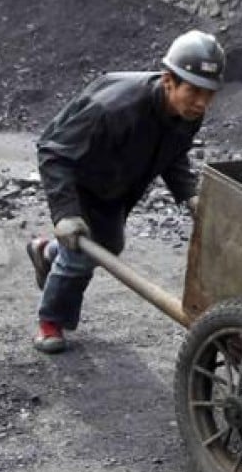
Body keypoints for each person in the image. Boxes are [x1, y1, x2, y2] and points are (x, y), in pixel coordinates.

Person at [26, 30, 225, 353]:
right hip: (80, 174)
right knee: (80, 256)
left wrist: (189, 194)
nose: (202, 103)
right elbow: (54, 153)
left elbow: (172, 153)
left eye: (210, 94)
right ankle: (51, 321)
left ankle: (46, 251)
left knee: (109, 246)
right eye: (194, 91)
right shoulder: (113, 109)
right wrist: (65, 214)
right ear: (168, 80)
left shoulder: (188, 112)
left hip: (117, 178)